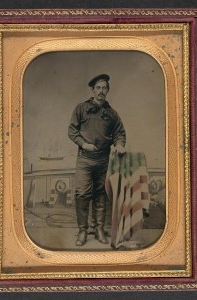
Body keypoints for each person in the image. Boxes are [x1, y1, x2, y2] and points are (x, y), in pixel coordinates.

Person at [68, 74, 126, 246]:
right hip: (85, 159)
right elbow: (72, 131)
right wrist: (84, 145)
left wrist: (120, 144)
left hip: (103, 160)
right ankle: (82, 231)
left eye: (104, 88)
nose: (101, 91)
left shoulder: (112, 113)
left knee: (100, 193)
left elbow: (119, 133)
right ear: (93, 90)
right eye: (98, 88)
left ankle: (99, 229)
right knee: (83, 194)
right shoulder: (81, 108)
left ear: (107, 90)